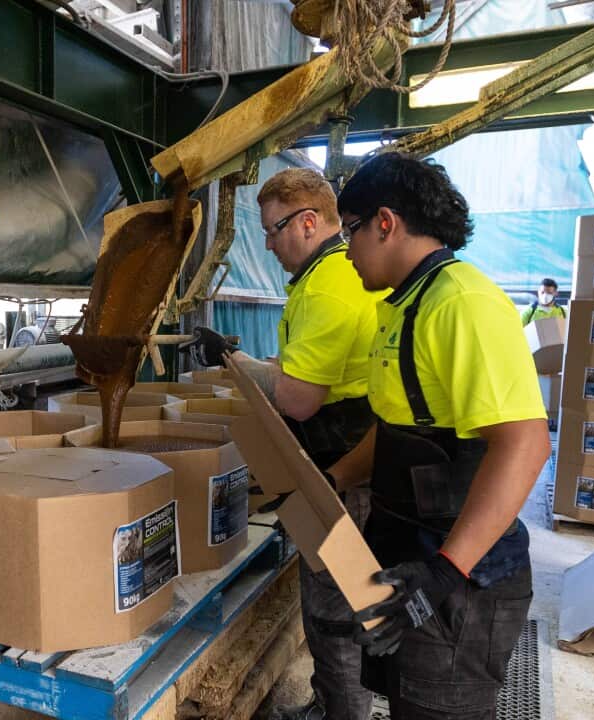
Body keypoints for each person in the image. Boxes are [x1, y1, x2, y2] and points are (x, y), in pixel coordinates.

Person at [327, 152, 550, 720]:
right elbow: (403, 428)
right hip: (410, 560)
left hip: (461, 585)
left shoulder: (460, 303)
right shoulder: (403, 305)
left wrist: (444, 574)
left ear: (384, 222)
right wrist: (330, 480)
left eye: (347, 231)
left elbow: (523, 443)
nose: (345, 250)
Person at [194, 167, 381, 720]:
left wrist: (233, 359)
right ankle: (336, 703)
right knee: (343, 597)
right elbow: (302, 370)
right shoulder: (326, 278)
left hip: (342, 470)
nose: (269, 244)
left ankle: (341, 712)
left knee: (335, 605)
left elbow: (298, 399)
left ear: (307, 222)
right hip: (342, 459)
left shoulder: (329, 284)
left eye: (272, 230)